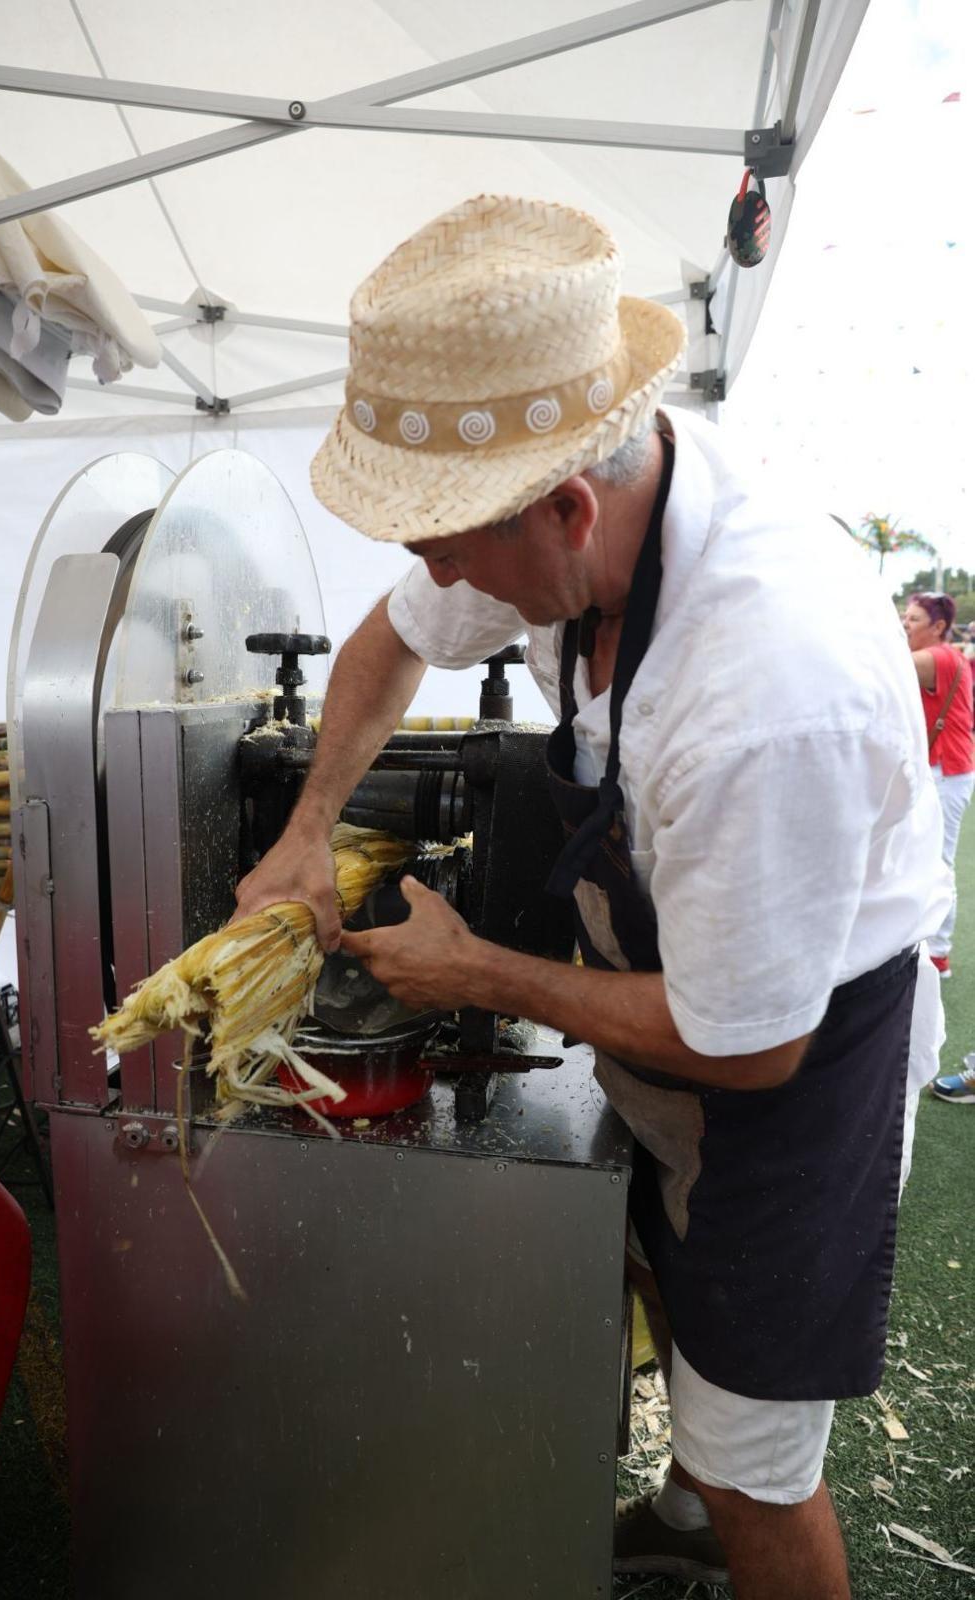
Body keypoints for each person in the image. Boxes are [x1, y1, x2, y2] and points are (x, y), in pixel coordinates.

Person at [233, 196, 949, 1600]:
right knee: (678, 1286)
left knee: (758, 1456)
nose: (434, 570)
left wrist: (481, 975)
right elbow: (393, 635)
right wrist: (310, 827)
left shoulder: (766, 689)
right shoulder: (582, 533)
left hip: (800, 1060)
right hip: (680, 1007)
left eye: (452, 542)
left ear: (567, 505)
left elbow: (755, 1043)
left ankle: (724, 1515)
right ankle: (680, 1528)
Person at [902, 591, 975, 978]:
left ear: (939, 627)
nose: (905, 624)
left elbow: (879, 664)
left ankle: (940, 955)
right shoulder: (947, 656)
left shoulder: (934, 658)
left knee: (940, 863)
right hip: (945, 768)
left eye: (913, 619)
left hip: (947, 770)